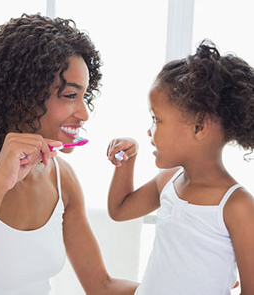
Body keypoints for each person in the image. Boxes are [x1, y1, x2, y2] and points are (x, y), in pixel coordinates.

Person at [0, 14, 138, 295]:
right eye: (69, 95)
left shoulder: (63, 178)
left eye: (84, 96)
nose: (85, 113)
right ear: (21, 96)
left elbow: (102, 286)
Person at [107, 40, 254, 295]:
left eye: (157, 119)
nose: (149, 131)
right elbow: (119, 210)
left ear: (199, 126)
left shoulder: (237, 206)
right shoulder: (168, 180)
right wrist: (126, 162)